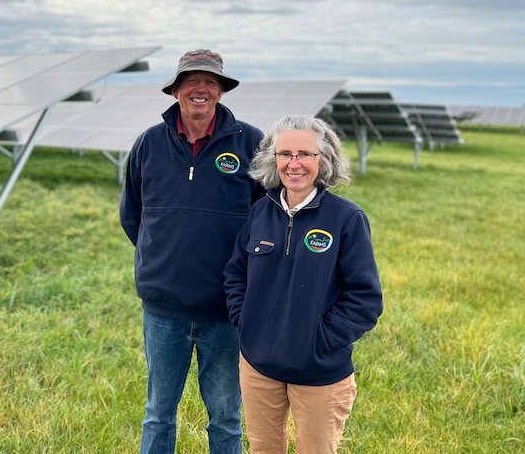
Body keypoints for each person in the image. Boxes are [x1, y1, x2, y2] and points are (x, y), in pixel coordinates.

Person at [120, 49, 266, 454]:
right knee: (158, 412)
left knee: (225, 416)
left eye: (210, 82)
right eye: (191, 81)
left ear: (220, 91)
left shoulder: (253, 143)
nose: (200, 89)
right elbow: (132, 216)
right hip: (163, 309)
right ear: (176, 91)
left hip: (227, 309)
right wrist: (165, 257)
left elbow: (268, 219)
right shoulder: (149, 143)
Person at [223, 115, 383, 454]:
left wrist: (318, 339)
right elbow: (235, 274)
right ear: (273, 159)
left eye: (305, 154)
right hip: (258, 367)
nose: (294, 164)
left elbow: (365, 299)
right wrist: (247, 320)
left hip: (319, 371)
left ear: (323, 160)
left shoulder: (346, 219)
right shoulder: (259, 213)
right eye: (285, 154)